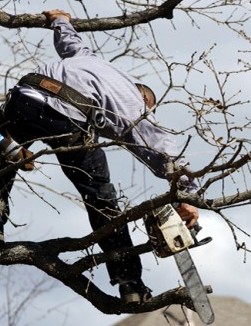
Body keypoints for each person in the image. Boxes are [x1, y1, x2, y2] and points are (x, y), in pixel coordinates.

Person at [0, 9, 199, 304]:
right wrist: (188, 195)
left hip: (23, 97)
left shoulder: (92, 61)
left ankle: (8, 149)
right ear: (144, 99)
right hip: (63, 115)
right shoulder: (133, 103)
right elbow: (161, 150)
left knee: (4, 167)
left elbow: (70, 42)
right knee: (101, 198)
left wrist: (60, 20)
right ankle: (130, 282)